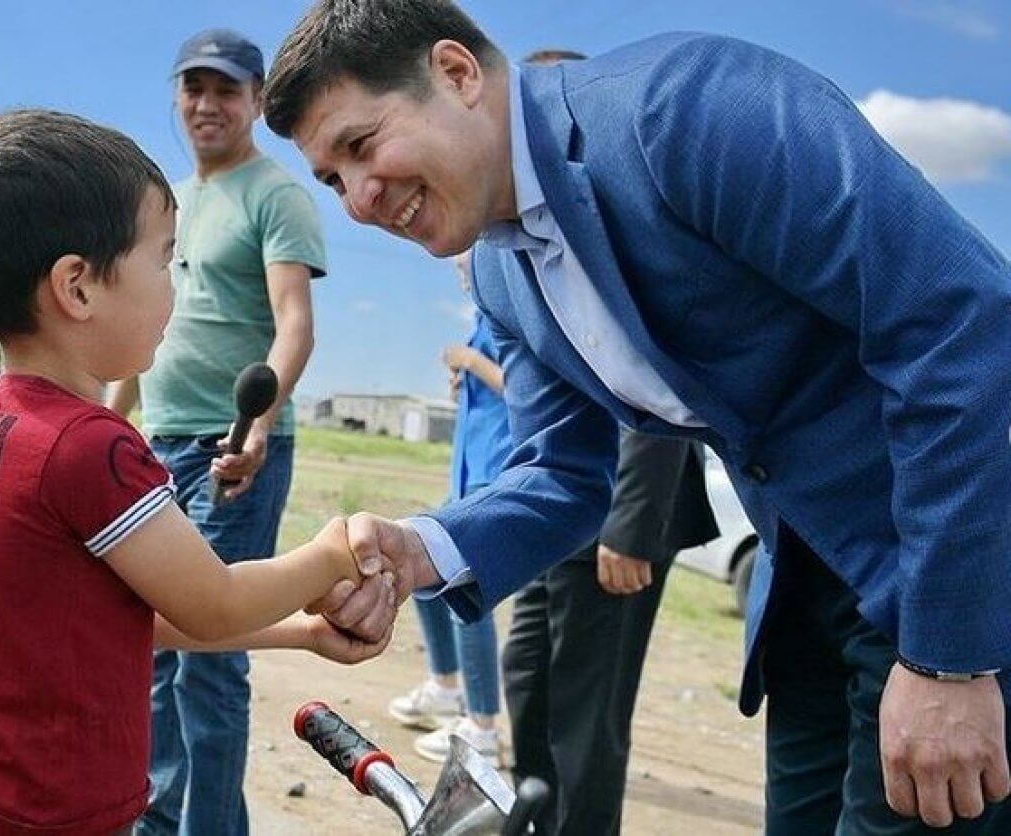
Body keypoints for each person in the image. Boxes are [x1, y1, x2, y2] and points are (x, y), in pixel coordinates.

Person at [262, 2, 1011, 833]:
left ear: (457, 73)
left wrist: (949, 659)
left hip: (955, 566)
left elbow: (956, 323)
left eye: (363, 146)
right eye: (331, 179)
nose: (360, 200)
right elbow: (562, 476)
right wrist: (421, 550)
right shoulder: (505, 278)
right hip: (803, 596)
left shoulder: (685, 112)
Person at [0, 109, 392, 835]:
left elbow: (133, 617)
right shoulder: (88, 446)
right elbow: (214, 602)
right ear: (77, 288)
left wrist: (298, 630)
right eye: (164, 261)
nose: (173, 290)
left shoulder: (8, 419)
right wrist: (330, 554)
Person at [106, 30, 326, 836]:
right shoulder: (169, 201)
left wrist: (261, 424)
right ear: (176, 96)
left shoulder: (276, 194)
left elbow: (295, 325)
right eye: (193, 87)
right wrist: (108, 422)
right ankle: (153, 821)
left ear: (257, 101)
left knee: (210, 650)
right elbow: (147, 331)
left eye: (226, 90)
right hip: (158, 446)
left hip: (233, 448)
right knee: (151, 644)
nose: (207, 104)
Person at [503, 426, 717, 835]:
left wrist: (633, 521)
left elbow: (655, 383)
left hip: (617, 504)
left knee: (586, 717)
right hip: (556, 500)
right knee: (527, 679)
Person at [388, 249, 509, 765]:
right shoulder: (484, 321)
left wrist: (471, 362)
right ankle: (445, 686)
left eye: (466, 266)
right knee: (421, 560)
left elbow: (526, 389)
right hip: (468, 476)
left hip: (497, 475)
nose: (462, 276)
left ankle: (482, 725)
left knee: (465, 586)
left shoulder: (510, 316)